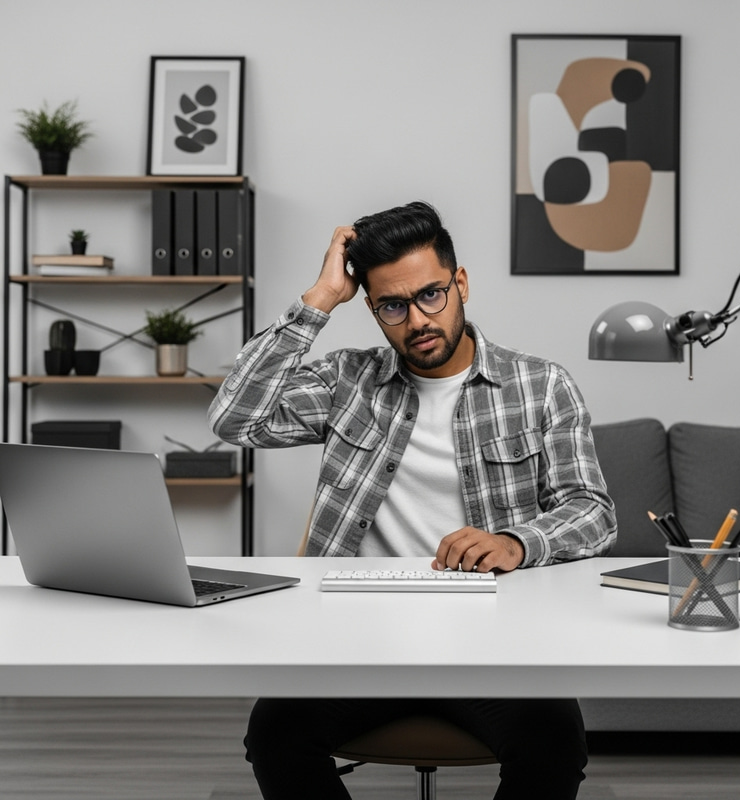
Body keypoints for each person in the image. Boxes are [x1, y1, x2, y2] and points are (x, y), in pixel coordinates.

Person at [208, 200, 617, 799]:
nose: (418, 319)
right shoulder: (347, 381)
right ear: (372, 308)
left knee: (553, 744)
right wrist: (320, 299)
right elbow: (235, 420)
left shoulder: (541, 386)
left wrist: (515, 543)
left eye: (431, 295)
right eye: (393, 306)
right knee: (276, 734)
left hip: (493, 642)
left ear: (461, 284)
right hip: (357, 639)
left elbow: (593, 511)